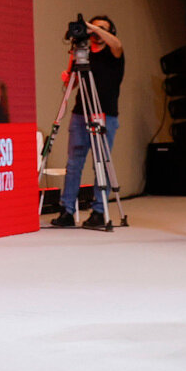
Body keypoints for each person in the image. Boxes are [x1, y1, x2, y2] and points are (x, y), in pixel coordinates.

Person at [51, 15, 124, 229]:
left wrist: (91, 26)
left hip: (105, 114)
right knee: (74, 164)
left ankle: (100, 211)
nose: (96, 32)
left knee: (101, 163)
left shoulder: (114, 53)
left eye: (103, 29)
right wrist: (68, 76)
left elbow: (117, 44)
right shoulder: (82, 52)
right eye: (94, 28)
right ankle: (67, 210)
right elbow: (71, 84)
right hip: (80, 114)